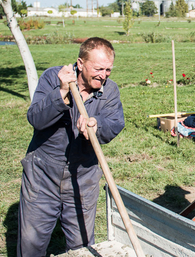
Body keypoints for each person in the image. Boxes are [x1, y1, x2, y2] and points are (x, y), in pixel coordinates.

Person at [18, 37, 125, 257]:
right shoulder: (53, 78)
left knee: (82, 243)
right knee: (31, 242)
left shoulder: (110, 91)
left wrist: (98, 125)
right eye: (98, 69)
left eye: (108, 70)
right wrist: (61, 93)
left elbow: (115, 123)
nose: (103, 75)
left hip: (84, 175)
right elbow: (36, 118)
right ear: (80, 63)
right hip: (43, 172)